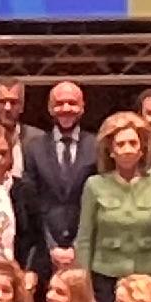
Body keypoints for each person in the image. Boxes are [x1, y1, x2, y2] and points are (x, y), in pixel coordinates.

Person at [76, 111, 151, 302]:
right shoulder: (95, 185)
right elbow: (85, 239)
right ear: (111, 150)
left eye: (133, 143)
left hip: (149, 276)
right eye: (121, 144)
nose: (127, 149)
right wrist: (83, 282)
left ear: (142, 149)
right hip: (106, 278)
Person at [17, 81, 98, 278]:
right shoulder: (33, 148)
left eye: (72, 103)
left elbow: (100, 201)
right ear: (50, 108)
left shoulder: (96, 146)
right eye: (60, 103)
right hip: (44, 251)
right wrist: (52, 247)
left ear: (82, 107)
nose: (66, 108)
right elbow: (31, 202)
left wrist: (77, 246)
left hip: (87, 250)